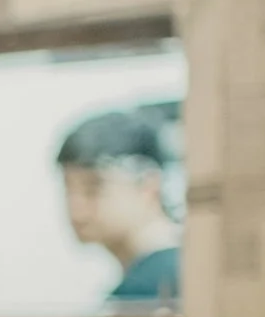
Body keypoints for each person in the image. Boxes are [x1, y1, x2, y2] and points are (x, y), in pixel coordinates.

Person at [58, 104, 182, 304]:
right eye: (68, 189)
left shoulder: (152, 289)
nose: (76, 209)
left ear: (149, 187)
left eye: (93, 188)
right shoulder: (181, 270)